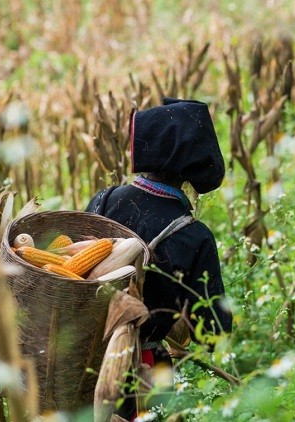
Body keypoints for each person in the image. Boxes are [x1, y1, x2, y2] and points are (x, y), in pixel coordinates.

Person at [86, 98, 233, 412]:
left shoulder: (104, 200)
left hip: (83, 363)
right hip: (144, 374)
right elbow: (213, 333)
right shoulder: (194, 235)